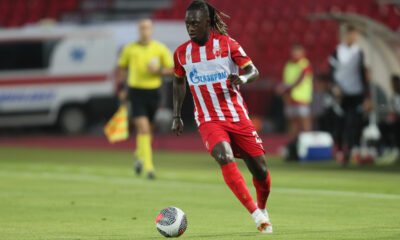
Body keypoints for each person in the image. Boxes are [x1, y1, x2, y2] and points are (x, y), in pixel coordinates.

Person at [171, 0, 272, 233]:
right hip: (208, 119)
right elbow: (178, 81)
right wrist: (177, 114)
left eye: (195, 22)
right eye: (187, 23)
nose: (190, 27)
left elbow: (252, 71)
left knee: (261, 171)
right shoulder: (181, 53)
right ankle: (257, 216)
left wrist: (244, 79)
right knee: (223, 155)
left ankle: (263, 207)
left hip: (237, 116)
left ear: (208, 22)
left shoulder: (228, 45)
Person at [118, 19, 174, 179]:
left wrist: (158, 70)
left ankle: (139, 155)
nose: (144, 30)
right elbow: (122, 68)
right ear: (138, 30)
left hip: (153, 92)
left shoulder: (159, 48)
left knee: (148, 129)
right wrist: (122, 88)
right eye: (142, 28)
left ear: (152, 30)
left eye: (147, 28)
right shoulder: (129, 49)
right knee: (142, 127)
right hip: (136, 92)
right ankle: (149, 168)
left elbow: (171, 69)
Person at [329, 25, 371, 166]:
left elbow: (362, 74)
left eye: (355, 34)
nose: (353, 37)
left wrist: (366, 95)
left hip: (356, 92)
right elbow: (331, 71)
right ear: (345, 35)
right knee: (341, 123)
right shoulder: (338, 51)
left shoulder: (359, 51)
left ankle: (355, 151)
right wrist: (335, 87)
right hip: (342, 93)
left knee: (356, 123)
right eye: (350, 34)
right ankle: (341, 152)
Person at [278, 44, 313, 140]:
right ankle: (294, 145)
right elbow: (286, 81)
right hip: (290, 98)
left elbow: (299, 80)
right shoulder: (288, 64)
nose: (296, 53)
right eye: (294, 51)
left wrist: (285, 89)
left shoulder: (304, 64)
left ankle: (308, 143)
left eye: (298, 51)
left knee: (304, 121)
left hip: (302, 98)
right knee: (293, 122)